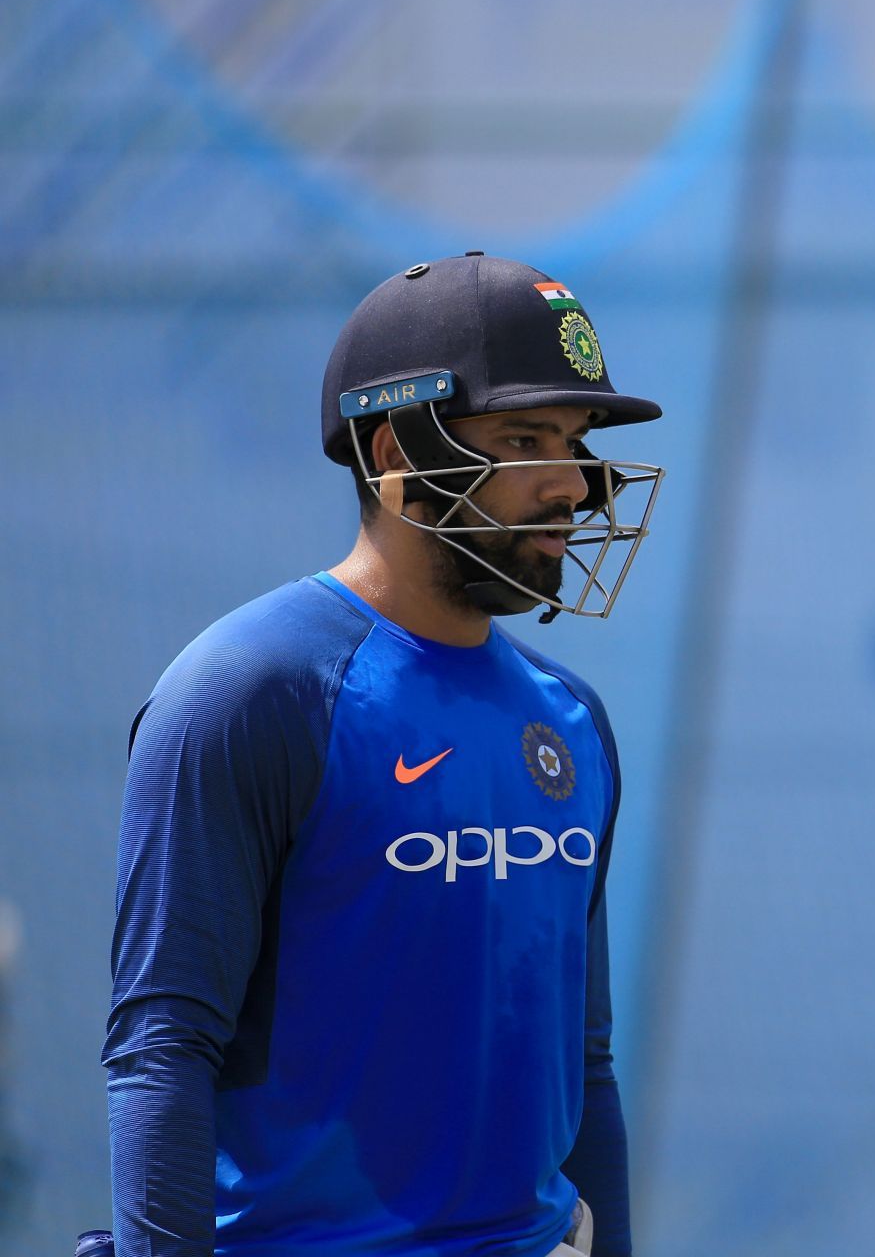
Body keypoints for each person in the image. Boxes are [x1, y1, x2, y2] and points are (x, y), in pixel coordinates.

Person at [102, 253, 665, 1257]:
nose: (574, 484)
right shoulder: (246, 689)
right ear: (397, 449)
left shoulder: (572, 719)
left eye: (574, 443)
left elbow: (588, 1062)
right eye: (526, 438)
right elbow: (161, 1050)